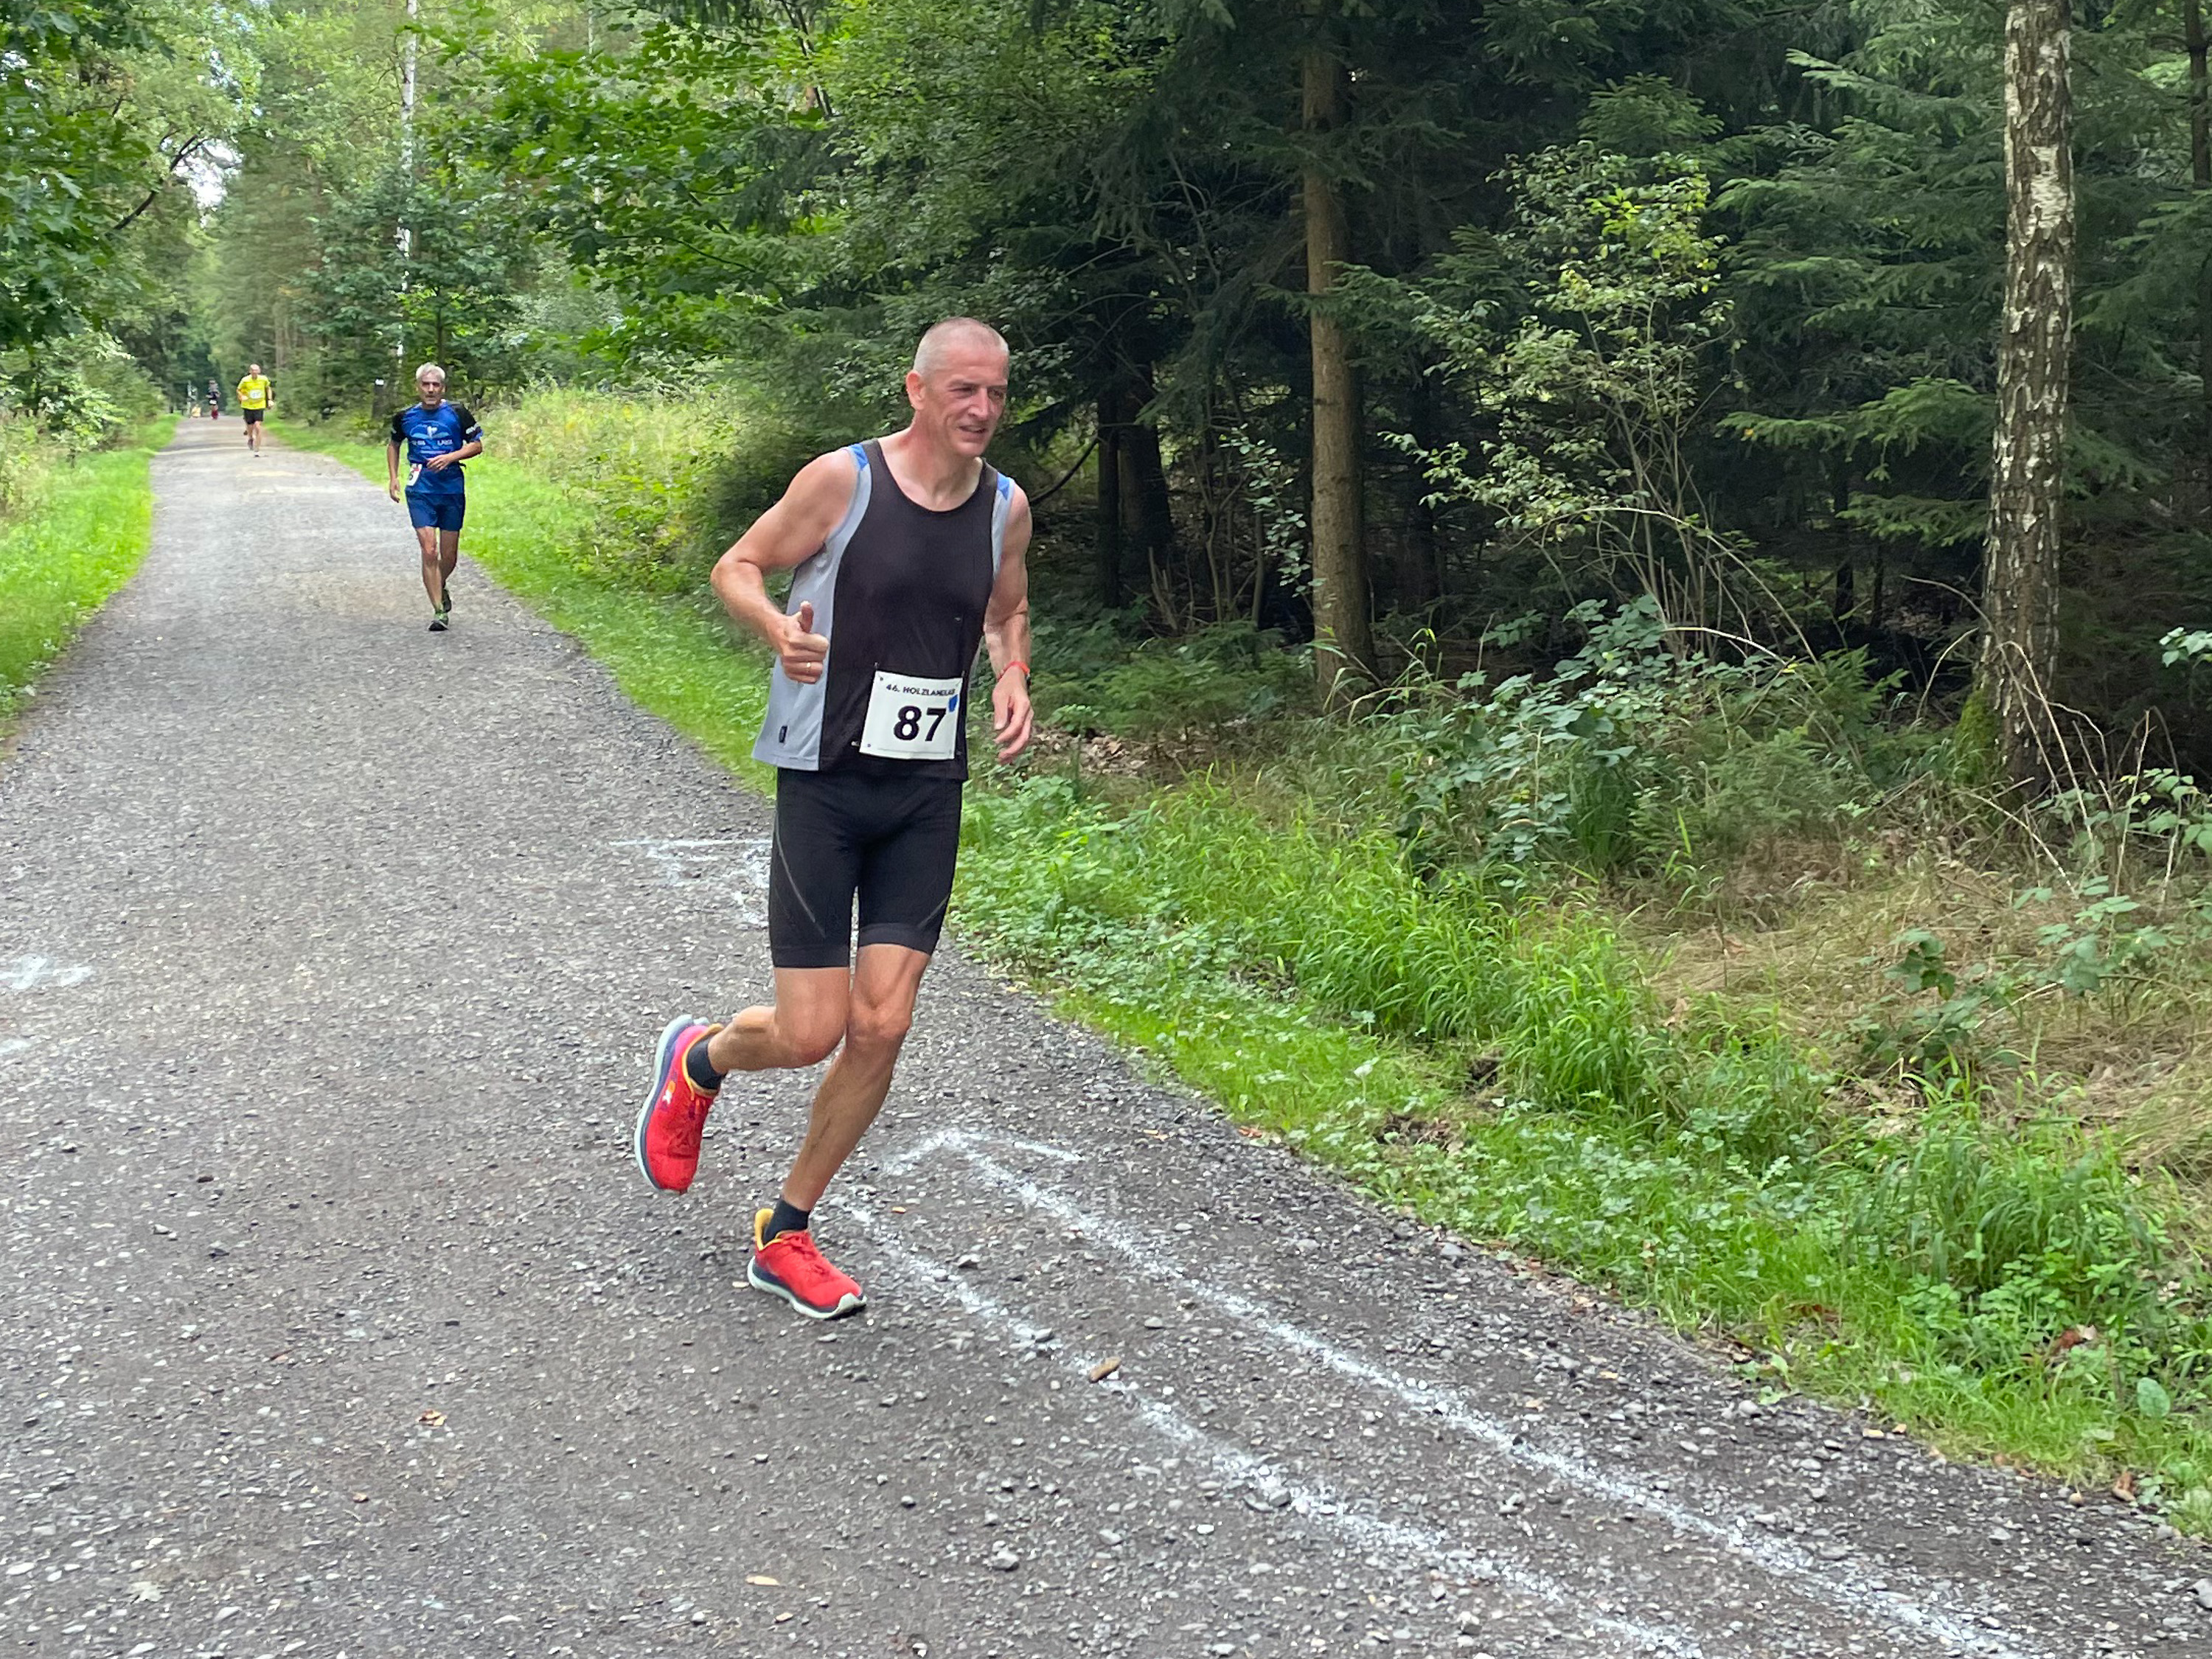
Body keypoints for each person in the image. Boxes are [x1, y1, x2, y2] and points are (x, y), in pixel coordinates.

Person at [632, 317, 1034, 1319]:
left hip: (925, 789)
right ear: (917, 389)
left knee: (884, 1021)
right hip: (824, 778)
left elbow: (1005, 610)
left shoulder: (1005, 506)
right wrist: (776, 627)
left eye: (996, 392)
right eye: (964, 390)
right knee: (811, 1031)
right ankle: (700, 1059)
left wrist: (1012, 673)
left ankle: (787, 1229)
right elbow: (737, 563)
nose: (982, 409)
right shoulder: (844, 481)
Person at [384, 364, 483, 632]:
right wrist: (393, 477)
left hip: (451, 488)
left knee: (449, 556)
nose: (430, 390)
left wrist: (450, 457)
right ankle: (439, 611)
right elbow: (394, 445)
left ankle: (440, 582)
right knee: (429, 549)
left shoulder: (457, 413)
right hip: (420, 489)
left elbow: (477, 445)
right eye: (425, 385)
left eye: (435, 385)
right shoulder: (405, 417)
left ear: (443, 388)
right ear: (418, 387)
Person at [236, 364, 273, 453]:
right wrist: (242, 396)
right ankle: (250, 438)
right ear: (250, 371)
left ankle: (257, 447)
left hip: (260, 405)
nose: (255, 372)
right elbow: (238, 390)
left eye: (256, 370)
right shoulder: (245, 380)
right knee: (250, 426)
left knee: (257, 426)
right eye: (253, 370)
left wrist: (269, 400)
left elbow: (268, 388)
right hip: (248, 406)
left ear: (259, 371)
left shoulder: (264, 379)